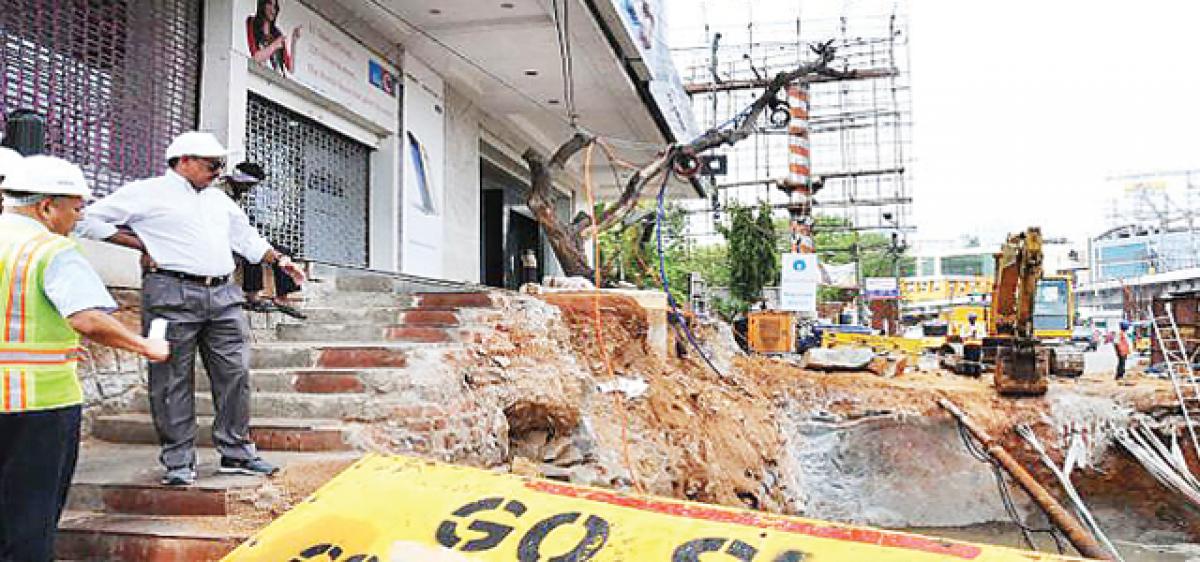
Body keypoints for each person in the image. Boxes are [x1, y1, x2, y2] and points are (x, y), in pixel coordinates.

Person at [76, 131, 305, 485]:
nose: (219, 171)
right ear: (184, 162)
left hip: (222, 294)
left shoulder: (218, 201)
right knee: (170, 378)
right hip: (171, 292)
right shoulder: (146, 193)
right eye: (212, 164)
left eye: (221, 164)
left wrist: (280, 261)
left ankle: (236, 452)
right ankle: (179, 461)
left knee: (235, 373)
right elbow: (86, 220)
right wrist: (139, 242)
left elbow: (245, 238)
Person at [0, 155, 169, 561]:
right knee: (28, 519)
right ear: (45, 207)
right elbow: (88, 320)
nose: (78, 219)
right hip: (37, 406)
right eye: (75, 208)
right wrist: (146, 346)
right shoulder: (50, 249)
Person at [223, 162, 305, 319]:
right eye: (249, 185)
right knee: (251, 255)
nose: (250, 189)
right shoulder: (219, 192)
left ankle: (282, 297)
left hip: (239, 237)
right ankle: (252, 297)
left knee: (283, 252)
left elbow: (242, 230)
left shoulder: (237, 194)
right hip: (222, 242)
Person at [247, 0, 301, 75]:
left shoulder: (277, 34)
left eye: (275, 7)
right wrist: (274, 45)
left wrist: (294, 41)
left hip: (274, 79)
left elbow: (290, 68)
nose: (272, 10)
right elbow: (256, 57)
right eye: (269, 4)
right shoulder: (252, 22)